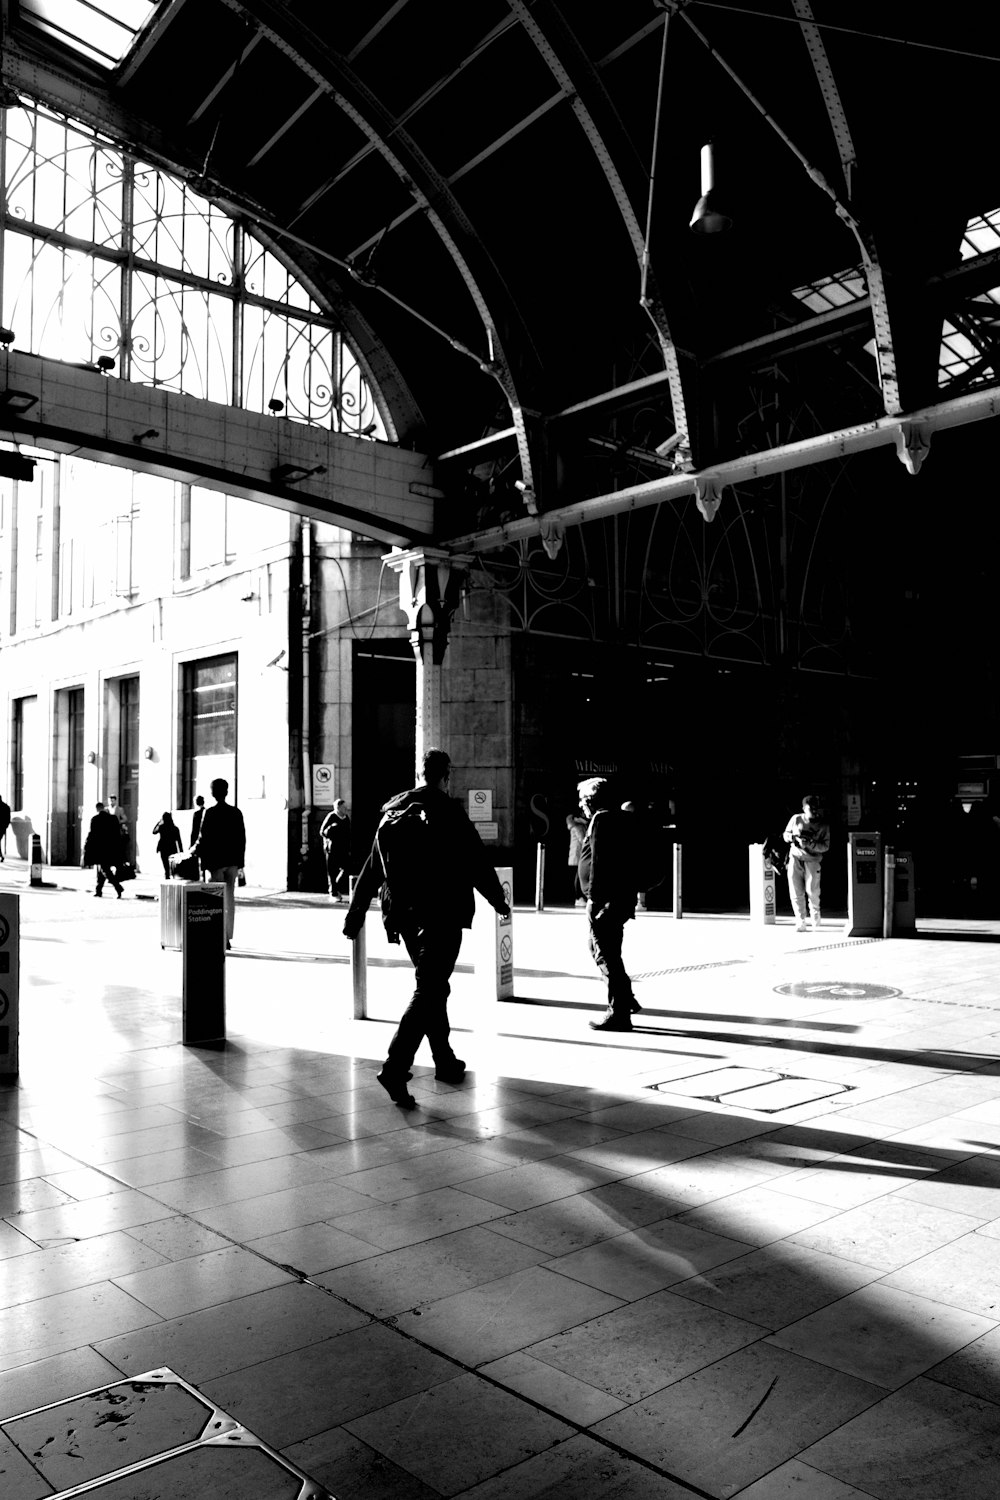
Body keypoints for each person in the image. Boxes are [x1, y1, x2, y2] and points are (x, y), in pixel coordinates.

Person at [343, 748, 510, 1110]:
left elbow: (372, 867)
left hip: (404, 916)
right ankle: (395, 1066)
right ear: (445, 774)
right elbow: (477, 861)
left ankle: (445, 1060)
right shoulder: (448, 810)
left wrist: (354, 915)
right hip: (443, 913)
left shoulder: (393, 812)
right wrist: (498, 901)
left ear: (420, 773)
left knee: (432, 985)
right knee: (430, 988)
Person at [578, 777, 640, 1032]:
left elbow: (601, 863)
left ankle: (620, 1013)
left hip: (606, 900)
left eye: (583, 800)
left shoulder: (602, 820)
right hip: (618, 897)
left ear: (592, 800)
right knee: (601, 949)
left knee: (606, 953)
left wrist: (594, 898)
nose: (581, 806)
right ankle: (626, 998)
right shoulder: (617, 819)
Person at [190, 778, 246, 949]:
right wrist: (240, 864)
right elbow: (241, 839)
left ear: (213, 793)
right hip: (232, 862)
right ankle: (227, 936)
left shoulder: (210, 813)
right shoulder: (236, 812)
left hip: (215, 862)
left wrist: (191, 851)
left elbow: (202, 838)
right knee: (230, 898)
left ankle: (218, 935)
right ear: (227, 792)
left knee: (215, 899)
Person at [783, 793, 831, 931]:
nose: (814, 812)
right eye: (811, 809)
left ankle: (815, 919)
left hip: (813, 861)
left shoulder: (824, 825)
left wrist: (810, 844)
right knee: (796, 891)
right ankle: (800, 920)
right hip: (795, 858)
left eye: (816, 809)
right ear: (804, 808)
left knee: (813, 891)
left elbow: (826, 846)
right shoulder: (796, 819)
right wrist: (793, 838)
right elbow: (785, 834)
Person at [84, 802, 125, 898]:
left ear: (97, 809)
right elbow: (117, 835)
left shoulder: (95, 819)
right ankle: (98, 890)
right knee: (102, 870)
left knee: (104, 870)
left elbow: (92, 835)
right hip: (112, 849)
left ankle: (118, 887)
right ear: (104, 808)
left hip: (100, 850)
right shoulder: (113, 818)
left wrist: (86, 848)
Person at [319, 798, 351, 901]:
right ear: (338, 808)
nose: (346, 808)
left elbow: (348, 834)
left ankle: (335, 886)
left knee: (346, 868)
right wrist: (331, 829)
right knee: (332, 871)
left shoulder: (346, 818)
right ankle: (333, 893)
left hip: (343, 848)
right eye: (344, 807)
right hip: (332, 848)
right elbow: (322, 831)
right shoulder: (331, 816)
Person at [566, 810, 588, 906]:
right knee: (578, 877)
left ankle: (579, 897)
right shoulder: (578, 827)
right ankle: (579, 897)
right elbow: (583, 840)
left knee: (578, 876)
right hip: (579, 854)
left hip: (576, 854)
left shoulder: (575, 827)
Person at [153, 812, 184, 878]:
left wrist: (159, 822)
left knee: (166, 865)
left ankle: (167, 876)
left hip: (163, 848)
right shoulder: (175, 828)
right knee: (172, 865)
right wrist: (181, 851)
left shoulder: (162, 827)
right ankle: (172, 876)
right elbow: (179, 841)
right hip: (172, 848)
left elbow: (154, 831)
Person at [0, 793, 10, 862]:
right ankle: (1, 856)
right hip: (2, 828)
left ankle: (1, 856)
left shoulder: (5, 807)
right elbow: (8, 819)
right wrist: (5, 826)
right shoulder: (6, 807)